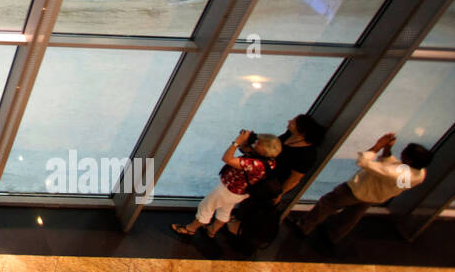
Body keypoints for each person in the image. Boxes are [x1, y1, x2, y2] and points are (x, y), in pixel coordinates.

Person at [290, 133, 430, 244]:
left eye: (405, 152)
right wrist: (387, 150)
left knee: (327, 203)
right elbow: (390, 166)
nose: (402, 153)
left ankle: (304, 226)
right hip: (375, 196)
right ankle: (332, 235)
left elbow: (363, 162)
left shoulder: (397, 172)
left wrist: (377, 146)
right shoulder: (420, 173)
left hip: (357, 190)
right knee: (352, 216)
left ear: (410, 160)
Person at [224, 114, 325, 249]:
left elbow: (295, 178)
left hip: (271, 185)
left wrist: (279, 193)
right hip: (262, 176)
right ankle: (236, 224)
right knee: (248, 202)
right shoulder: (289, 135)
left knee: (255, 207)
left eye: (293, 122)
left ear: (302, 130)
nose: (290, 122)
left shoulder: (308, 154)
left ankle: (241, 233)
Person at [172, 131, 282, 238]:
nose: (255, 143)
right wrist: (247, 143)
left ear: (263, 149)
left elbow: (227, 158)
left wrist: (236, 142)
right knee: (225, 210)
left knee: (206, 207)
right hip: (240, 193)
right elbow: (245, 153)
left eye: (258, 143)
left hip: (228, 190)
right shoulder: (270, 162)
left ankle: (190, 229)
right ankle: (212, 231)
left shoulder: (255, 164)